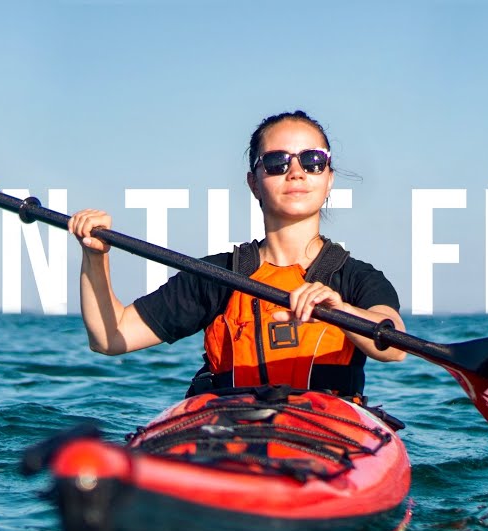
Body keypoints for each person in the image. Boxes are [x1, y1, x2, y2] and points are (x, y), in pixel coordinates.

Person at [68, 110, 405, 400]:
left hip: (326, 443)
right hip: (230, 436)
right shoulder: (219, 276)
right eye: (276, 162)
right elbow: (110, 338)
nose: (297, 171)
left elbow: (394, 347)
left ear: (329, 179)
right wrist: (95, 257)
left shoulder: (358, 279)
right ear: (253, 182)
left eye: (313, 161)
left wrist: (342, 312)